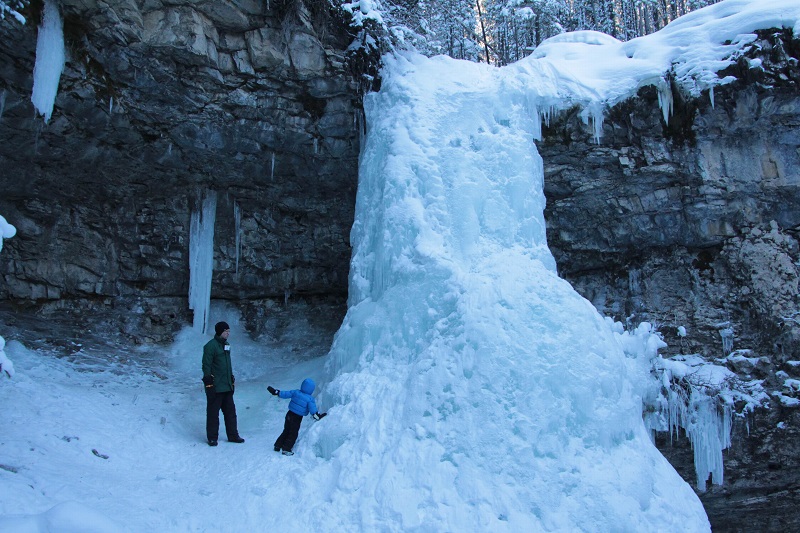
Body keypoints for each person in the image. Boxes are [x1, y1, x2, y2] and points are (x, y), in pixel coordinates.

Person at [202, 321, 245, 447]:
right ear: (220, 331)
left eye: (229, 331)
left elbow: (227, 365)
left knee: (231, 413)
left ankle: (233, 435)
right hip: (215, 386)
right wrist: (208, 382)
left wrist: (231, 379)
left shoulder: (226, 345)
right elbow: (206, 365)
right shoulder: (210, 346)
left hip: (226, 385)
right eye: (226, 331)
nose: (228, 333)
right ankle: (212, 438)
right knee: (213, 414)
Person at [267, 378, 326, 455]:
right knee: (293, 433)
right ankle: (286, 449)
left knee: (286, 430)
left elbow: (285, 394)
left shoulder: (296, 392)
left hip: (289, 414)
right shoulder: (310, 399)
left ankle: (277, 445)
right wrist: (317, 416)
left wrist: (276, 392)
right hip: (297, 418)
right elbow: (313, 410)